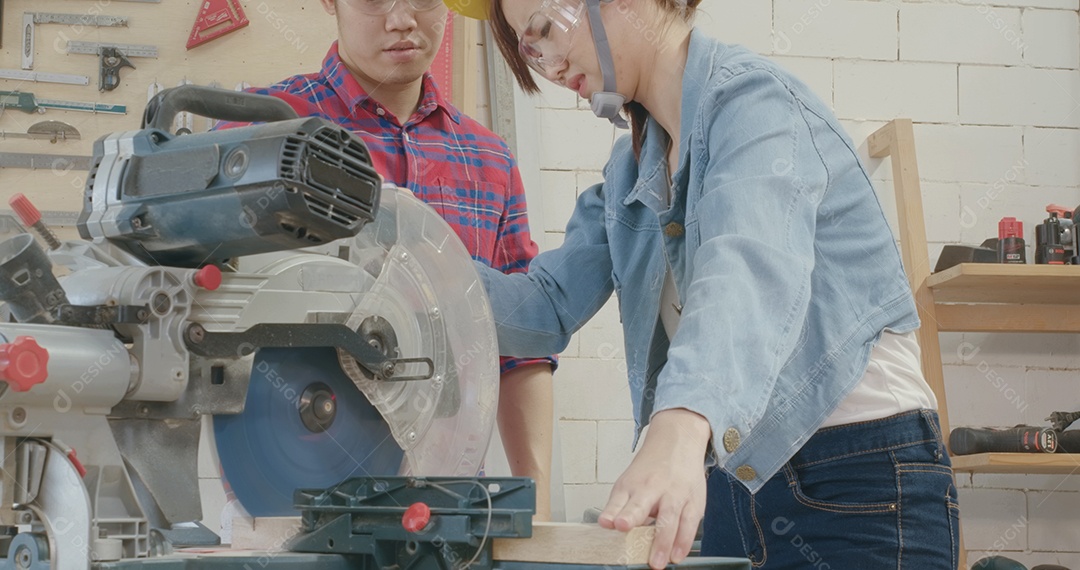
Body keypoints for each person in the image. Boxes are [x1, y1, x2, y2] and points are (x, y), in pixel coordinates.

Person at [469, 0, 959, 568]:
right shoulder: (631, 172)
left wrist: (676, 426)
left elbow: (746, 270)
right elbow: (544, 306)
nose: (550, 68)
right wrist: (410, 269)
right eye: (532, 52)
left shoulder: (756, 104)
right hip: (732, 483)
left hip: (859, 477)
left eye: (547, 32)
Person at [217, 0, 555, 520]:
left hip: (452, 510)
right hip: (292, 506)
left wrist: (538, 510)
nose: (401, 19)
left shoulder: (489, 160)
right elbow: (205, 318)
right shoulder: (263, 133)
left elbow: (517, 351)